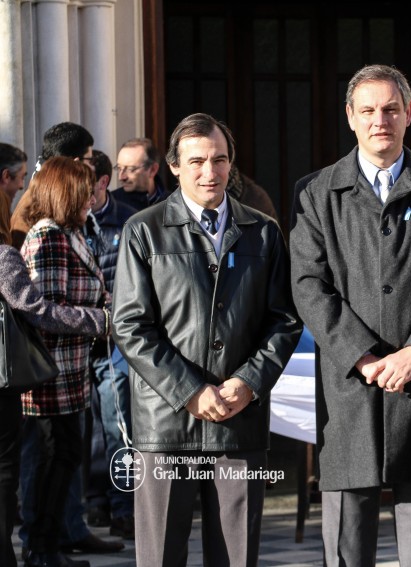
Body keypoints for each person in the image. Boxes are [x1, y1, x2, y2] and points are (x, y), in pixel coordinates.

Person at [290, 64, 411, 567]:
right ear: (350, 117)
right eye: (369, 110)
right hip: (351, 383)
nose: (381, 120)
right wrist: (364, 355)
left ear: (409, 114)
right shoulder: (316, 192)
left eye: (391, 108)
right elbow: (309, 285)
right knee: (347, 541)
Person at [112, 112, 302, 566]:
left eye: (219, 160)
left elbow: (284, 319)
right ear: (174, 166)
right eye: (196, 161)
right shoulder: (144, 229)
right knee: (160, 554)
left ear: (231, 163)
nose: (209, 172)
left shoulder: (262, 230)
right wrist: (190, 390)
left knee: (236, 555)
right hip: (165, 420)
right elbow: (130, 324)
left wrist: (248, 382)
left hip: (239, 419)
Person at [0, 161, 108, 567]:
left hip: (71, 370)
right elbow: (45, 311)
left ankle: (51, 545)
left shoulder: (70, 232)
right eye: (84, 191)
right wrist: (102, 321)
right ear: (65, 192)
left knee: (64, 458)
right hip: (49, 373)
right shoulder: (47, 236)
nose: (92, 198)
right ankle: (40, 550)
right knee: (49, 461)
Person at [82, 150, 137, 538]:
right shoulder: (71, 223)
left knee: (118, 424)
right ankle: (94, 500)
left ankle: (124, 507)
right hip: (80, 339)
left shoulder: (128, 219)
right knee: (90, 428)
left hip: (116, 339)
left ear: (102, 182)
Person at [11, 122, 94, 248]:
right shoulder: (39, 204)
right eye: (89, 160)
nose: (92, 167)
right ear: (76, 163)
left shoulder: (54, 195)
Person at [111, 138, 168, 211]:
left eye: (130, 169)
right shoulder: (112, 205)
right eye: (119, 168)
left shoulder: (174, 203)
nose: (121, 177)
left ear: (153, 170)